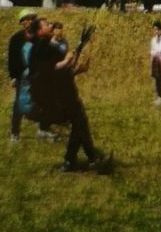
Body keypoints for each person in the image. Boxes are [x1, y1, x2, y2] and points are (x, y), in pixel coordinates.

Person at [28, 17, 111, 173]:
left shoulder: (47, 46)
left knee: (80, 123)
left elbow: (63, 70)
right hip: (57, 96)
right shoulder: (40, 48)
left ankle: (79, 160)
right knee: (79, 123)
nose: (50, 25)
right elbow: (52, 69)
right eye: (46, 24)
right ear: (39, 31)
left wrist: (78, 68)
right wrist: (66, 60)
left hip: (64, 92)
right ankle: (84, 160)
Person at [7, 8, 36, 141]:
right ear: (22, 22)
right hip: (21, 76)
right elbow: (12, 59)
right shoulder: (16, 39)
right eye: (27, 19)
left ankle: (43, 129)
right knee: (18, 104)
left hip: (37, 75)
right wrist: (13, 76)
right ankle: (15, 132)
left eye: (32, 19)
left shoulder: (39, 37)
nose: (30, 22)